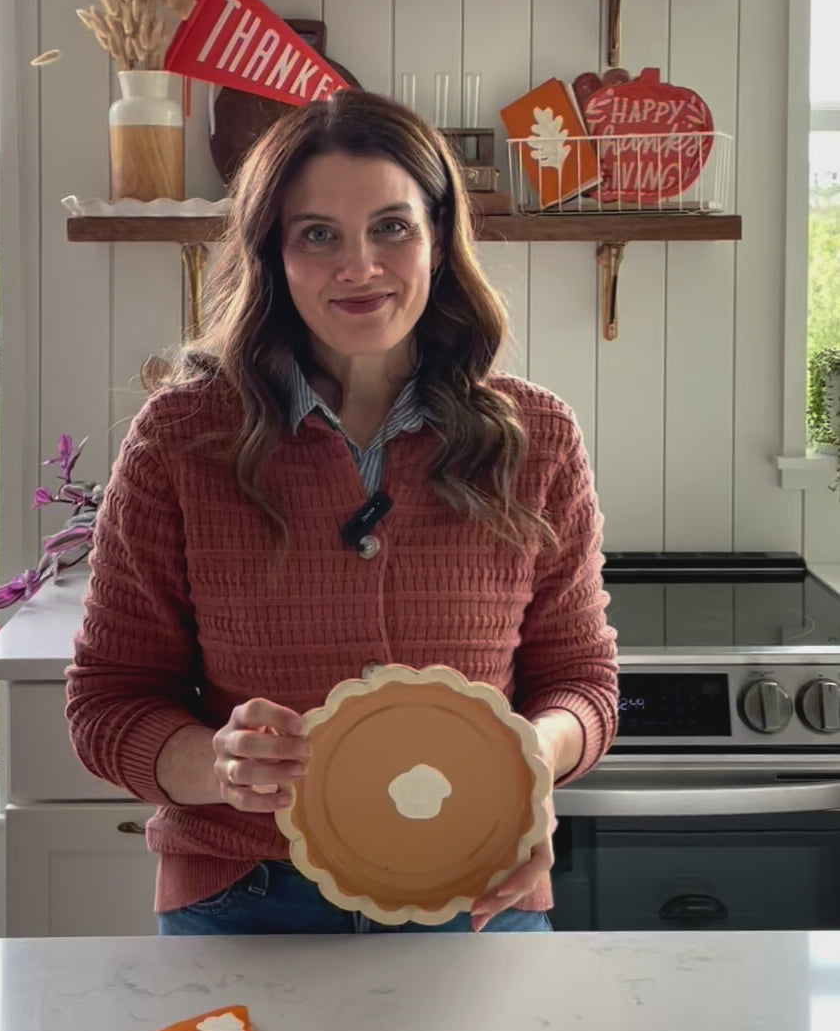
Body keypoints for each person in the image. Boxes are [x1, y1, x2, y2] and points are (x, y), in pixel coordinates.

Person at [65, 89, 618, 936]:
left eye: (391, 227)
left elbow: (582, 686)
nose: (359, 266)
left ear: (438, 237)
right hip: (243, 901)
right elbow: (109, 703)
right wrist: (218, 767)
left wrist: (519, 765)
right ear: (273, 255)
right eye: (317, 234)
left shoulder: (533, 436)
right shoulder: (183, 438)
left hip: (479, 895)